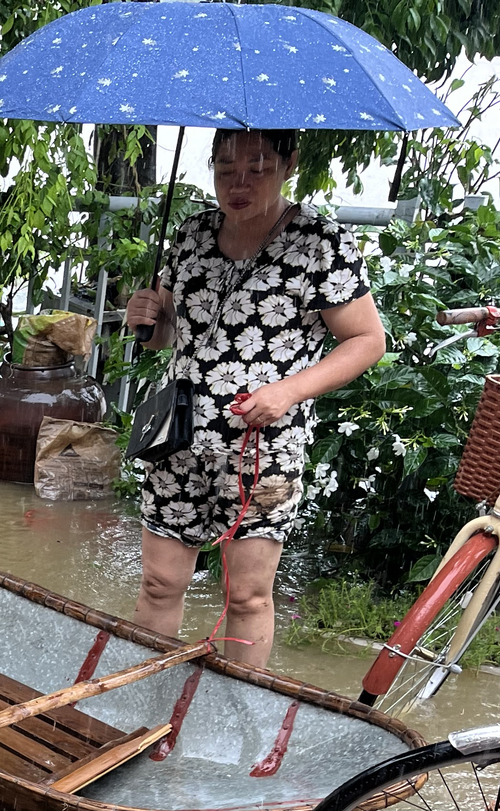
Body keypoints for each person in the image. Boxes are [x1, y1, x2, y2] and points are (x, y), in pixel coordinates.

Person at [123, 128, 386, 670]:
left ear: (288, 164)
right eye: (225, 169)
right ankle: (137, 702)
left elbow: (367, 340)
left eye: (257, 168)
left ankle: (233, 726)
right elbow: (174, 331)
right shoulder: (194, 233)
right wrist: (147, 321)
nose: (238, 183)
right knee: (157, 582)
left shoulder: (320, 242)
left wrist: (289, 390)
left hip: (262, 448)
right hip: (175, 438)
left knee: (245, 596)